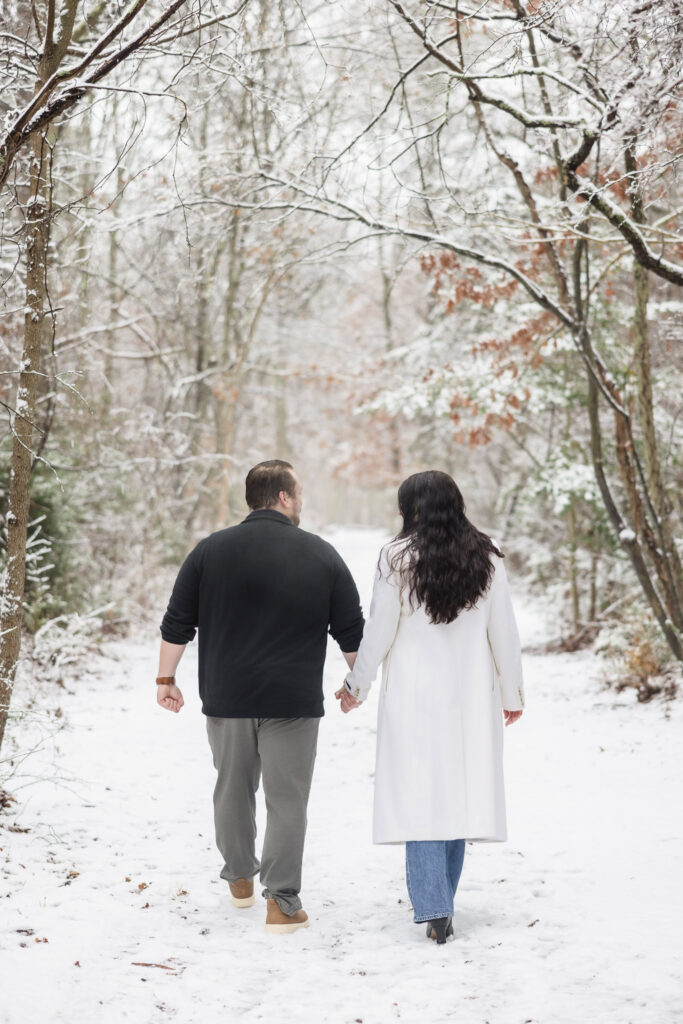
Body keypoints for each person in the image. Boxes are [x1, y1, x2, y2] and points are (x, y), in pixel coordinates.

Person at [157, 460, 364, 934]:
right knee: (287, 800)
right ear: (285, 497)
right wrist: (357, 685)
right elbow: (351, 632)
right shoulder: (321, 554)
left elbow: (176, 622)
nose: (302, 500)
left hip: (227, 695)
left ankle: (240, 880)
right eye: (301, 492)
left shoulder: (209, 551)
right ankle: (283, 903)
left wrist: (164, 680)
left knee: (232, 788)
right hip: (292, 701)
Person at [335, 470, 524, 944]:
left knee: (421, 797)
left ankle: (435, 906)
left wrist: (356, 687)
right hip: (471, 699)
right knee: (456, 794)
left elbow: (378, 631)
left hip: (414, 698)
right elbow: (504, 630)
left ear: (409, 510)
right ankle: (441, 904)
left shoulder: (396, 558)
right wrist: (512, 693)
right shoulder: (487, 556)